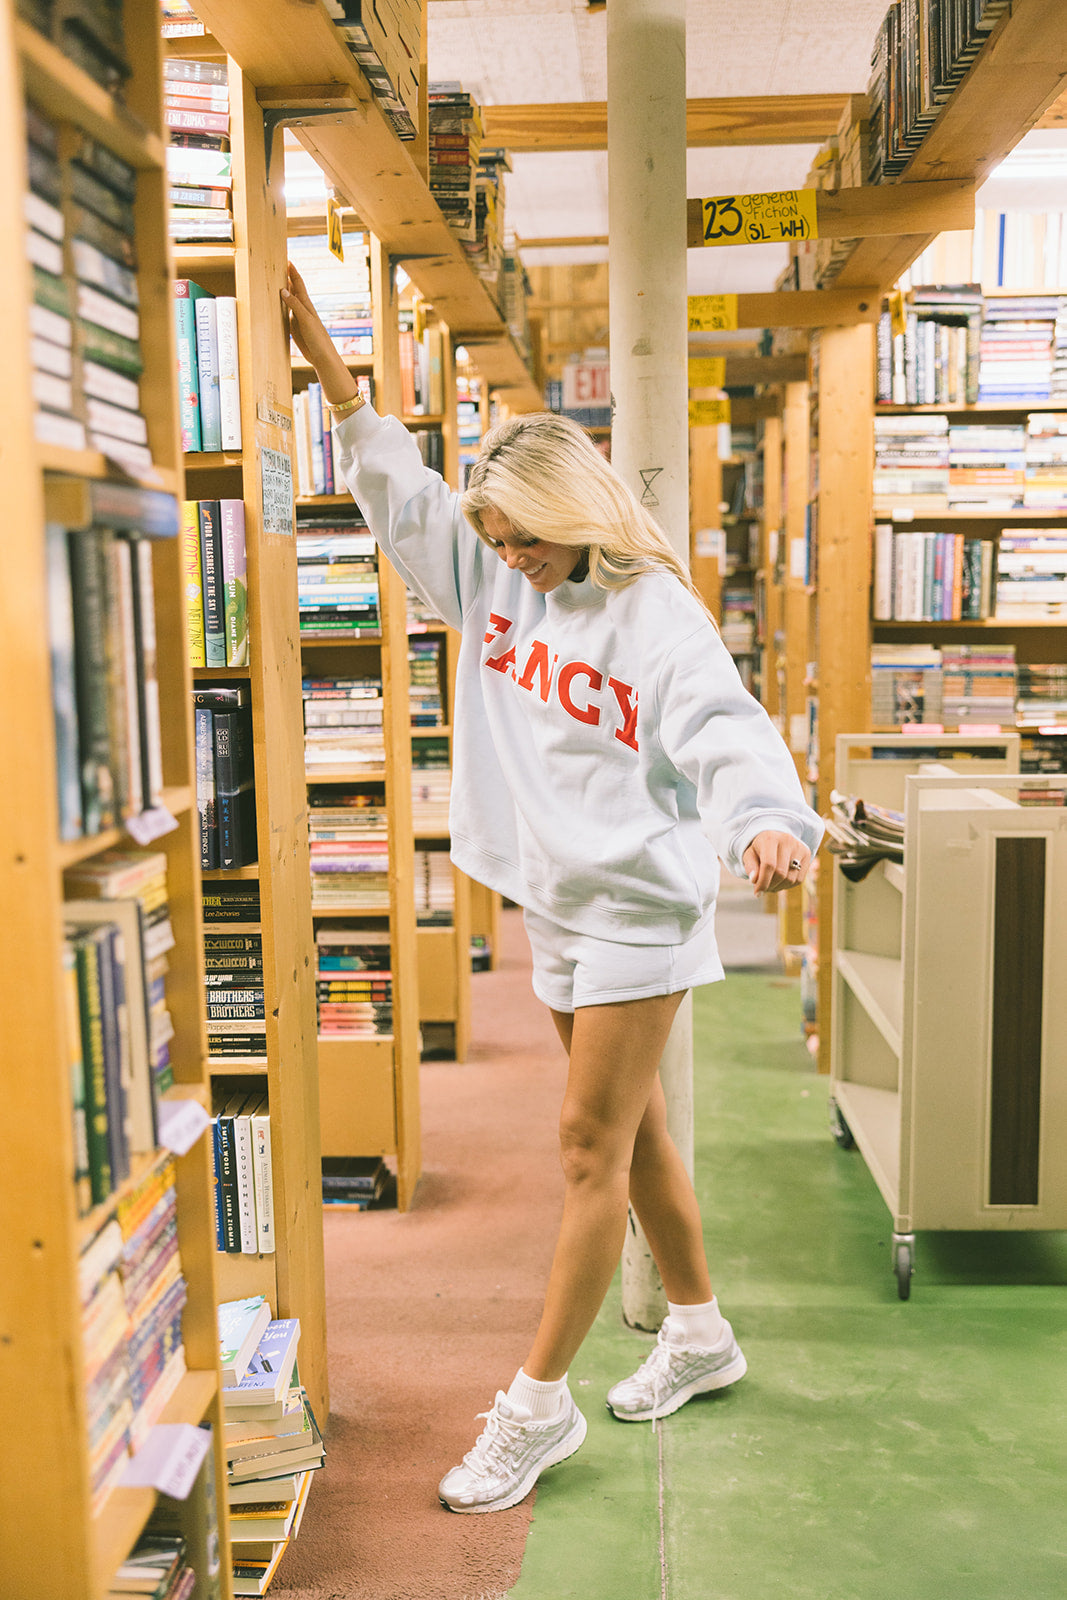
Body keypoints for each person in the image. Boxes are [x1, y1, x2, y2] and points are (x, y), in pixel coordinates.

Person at [282, 262, 824, 1515]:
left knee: (583, 1144)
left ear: (575, 510)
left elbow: (726, 728)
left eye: (524, 531)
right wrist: (325, 357)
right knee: (633, 1139)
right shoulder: (487, 577)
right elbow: (390, 482)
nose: (508, 555)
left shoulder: (654, 616)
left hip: (639, 903)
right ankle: (699, 1332)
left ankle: (536, 1406)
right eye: (493, 536)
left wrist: (763, 821)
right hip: (555, 900)